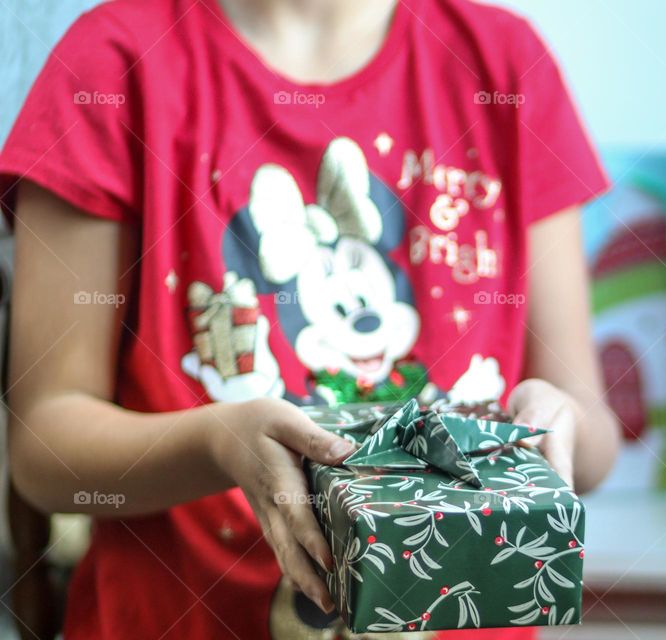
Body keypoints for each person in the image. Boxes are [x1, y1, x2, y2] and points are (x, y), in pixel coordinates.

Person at [0, 0, 620, 637]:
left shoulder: (506, 66)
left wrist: (557, 426)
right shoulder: (113, 62)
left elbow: (591, 437)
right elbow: (46, 452)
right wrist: (217, 443)